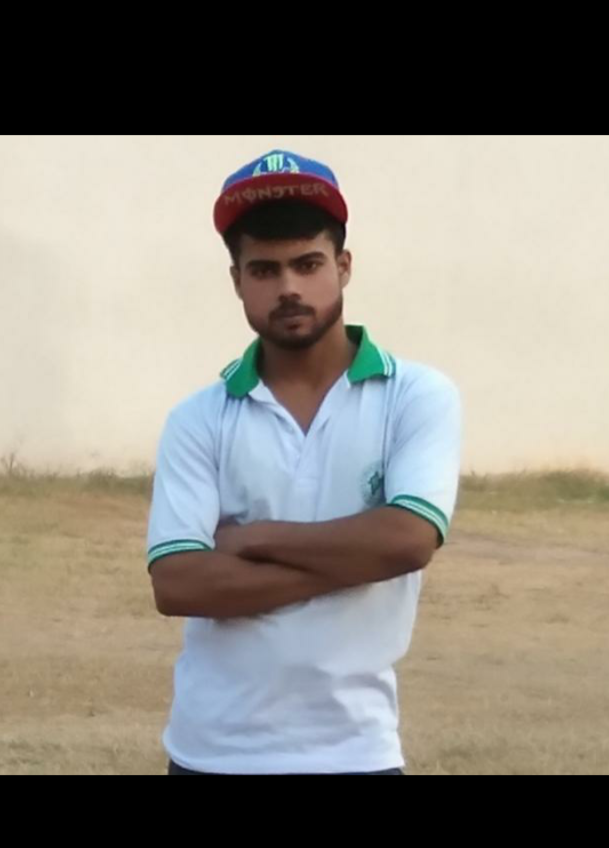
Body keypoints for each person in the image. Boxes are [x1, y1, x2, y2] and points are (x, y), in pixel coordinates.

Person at [146, 149, 462, 775]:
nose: (288, 287)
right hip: (213, 753)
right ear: (237, 280)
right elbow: (178, 584)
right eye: (264, 269)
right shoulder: (199, 418)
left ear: (343, 267)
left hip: (357, 750)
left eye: (308, 263)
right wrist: (359, 560)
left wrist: (253, 538)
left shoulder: (415, 395)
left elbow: (408, 540)